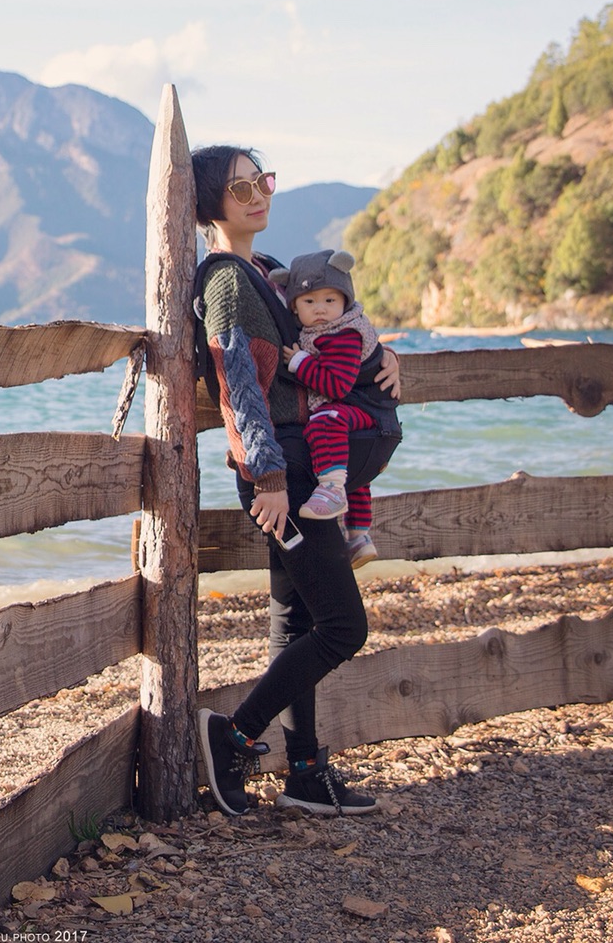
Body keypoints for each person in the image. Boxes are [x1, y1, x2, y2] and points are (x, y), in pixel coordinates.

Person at [188, 144, 399, 819]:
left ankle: (305, 771)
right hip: (282, 472)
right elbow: (239, 383)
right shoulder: (226, 282)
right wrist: (270, 478)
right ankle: (234, 735)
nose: (258, 195)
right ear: (209, 205)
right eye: (239, 187)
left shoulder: (270, 275)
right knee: (342, 627)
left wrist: (383, 352)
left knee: (296, 618)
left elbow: (332, 325)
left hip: (300, 466)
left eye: (262, 181)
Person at [272, 248, 401, 568]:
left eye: (330, 300)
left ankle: (330, 490)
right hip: (368, 414)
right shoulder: (325, 331)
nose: (320, 310)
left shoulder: (344, 334)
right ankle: (358, 536)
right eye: (309, 302)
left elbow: (337, 386)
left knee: (325, 421)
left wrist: (300, 362)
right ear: (294, 306)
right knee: (352, 471)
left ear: (345, 301)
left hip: (368, 411)